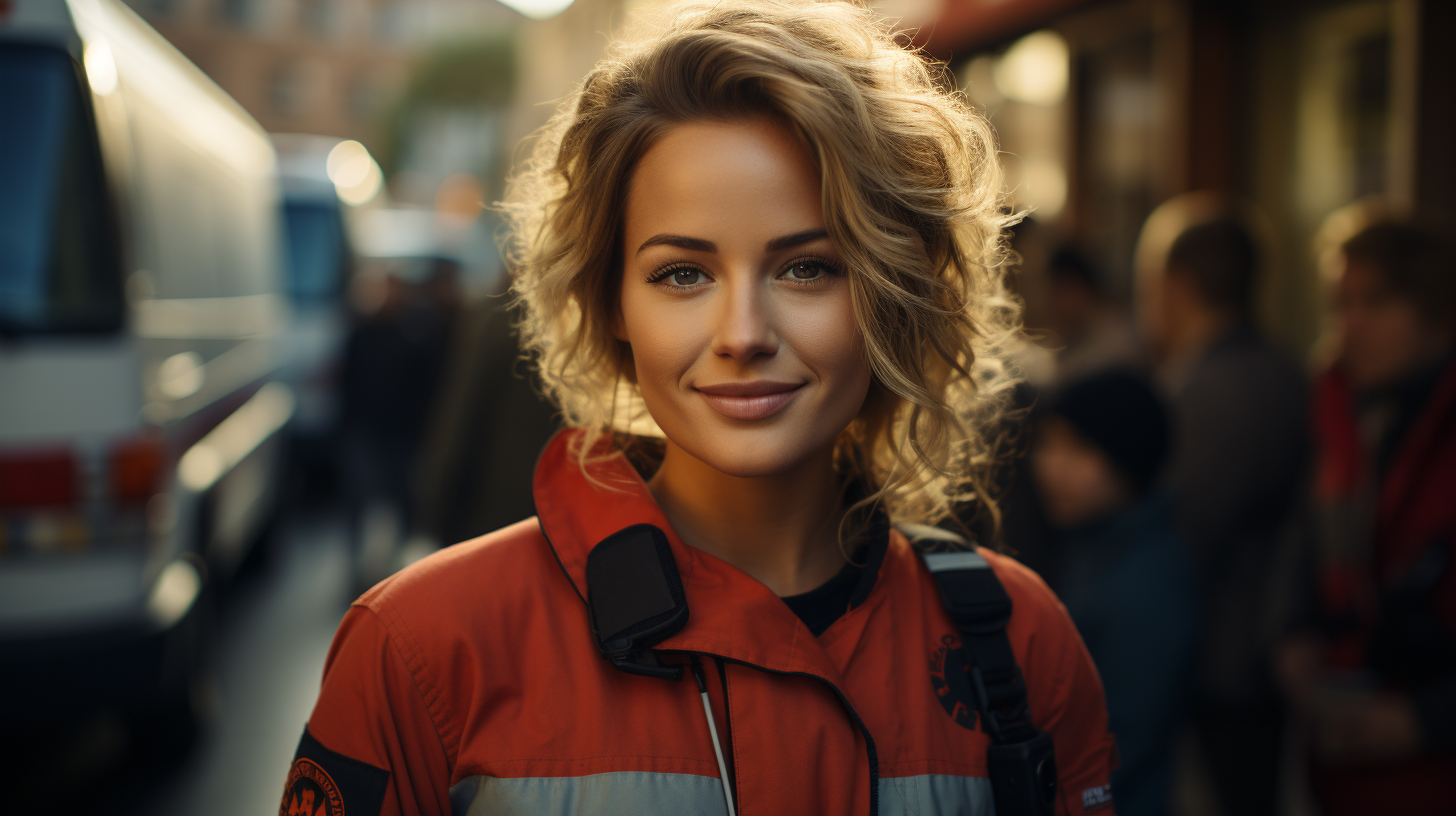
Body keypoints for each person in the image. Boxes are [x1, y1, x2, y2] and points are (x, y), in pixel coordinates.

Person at [279, 2, 1118, 814]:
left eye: (807, 268)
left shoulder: (1023, 645)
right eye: (683, 273)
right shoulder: (423, 648)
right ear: (612, 301)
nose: (742, 334)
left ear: (893, 293)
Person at [1134, 193, 1308, 815]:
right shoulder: (1288, 371)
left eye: (1148, 284)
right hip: (1278, 650)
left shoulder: (1201, 392)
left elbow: (1183, 536)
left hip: (1223, 659)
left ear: (1177, 286)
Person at [1280, 215, 1456, 816]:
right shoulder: (1338, 407)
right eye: (1339, 304)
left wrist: (1425, 721)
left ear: (1434, 311)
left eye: (1375, 303)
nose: (1349, 326)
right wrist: (1292, 642)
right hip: (1341, 766)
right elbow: (1304, 549)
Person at [1032, 370, 1197, 816]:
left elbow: (1120, 746)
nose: (1054, 465)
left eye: (1081, 448)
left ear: (1129, 460)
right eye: (1049, 442)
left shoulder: (1145, 585)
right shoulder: (1092, 546)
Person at [1044, 249, 1145, 383]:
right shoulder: (1071, 340)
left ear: (1075, 286)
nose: (1052, 303)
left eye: (1056, 291)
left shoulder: (1118, 345)